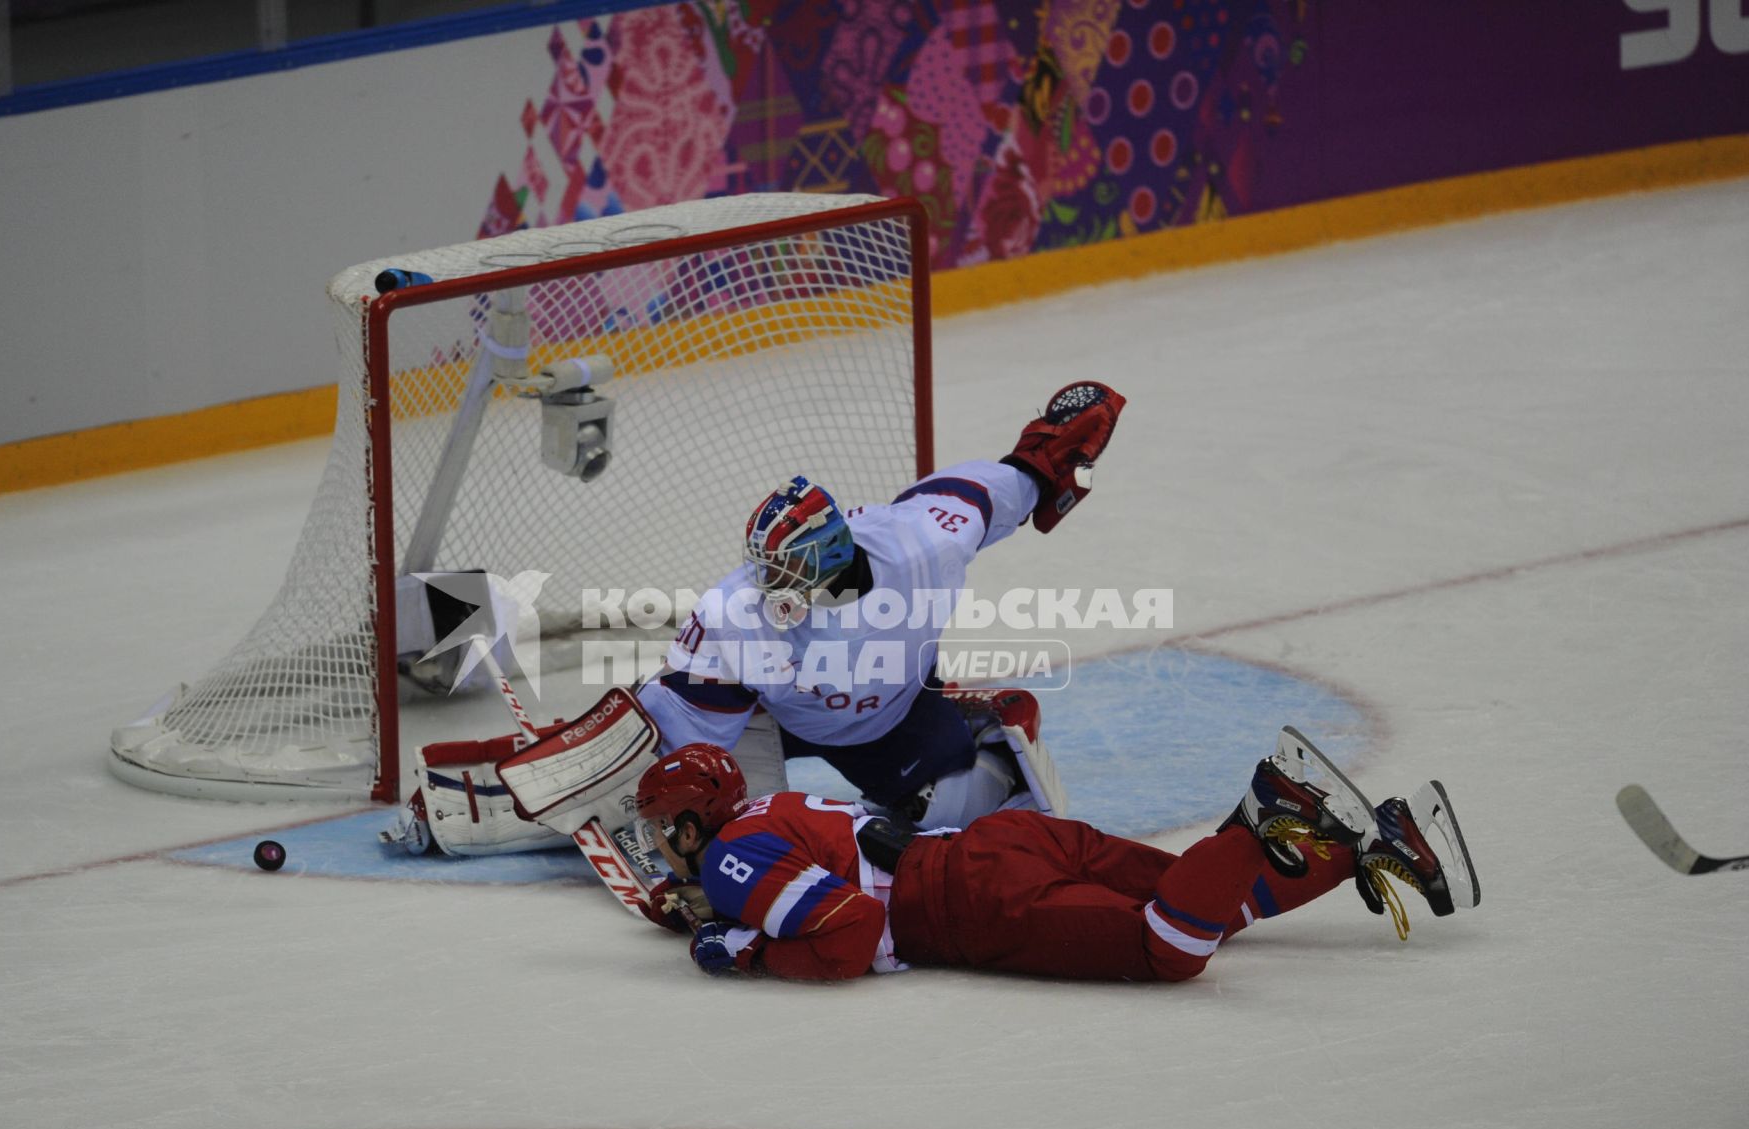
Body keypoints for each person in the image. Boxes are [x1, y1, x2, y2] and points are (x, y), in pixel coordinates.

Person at [634, 379, 1125, 830]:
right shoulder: (736, 610)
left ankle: (959, 734)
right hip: (766, 718)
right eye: (766, 567)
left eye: (787, 568)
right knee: (717, 816)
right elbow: (691, 729)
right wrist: (676, 803)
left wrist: (1049, 460)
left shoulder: (926, 544)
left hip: (891, 716)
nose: (770, 583)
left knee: (950, 819)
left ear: (830, 553)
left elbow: (1015, 484)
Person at [628, 731, 1480, 982]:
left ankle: (1260, 818)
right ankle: (1374, 840)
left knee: (1170, 949)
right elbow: (800, 876)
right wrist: (700, 906)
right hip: (1010, 837)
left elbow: (849, 933)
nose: (658, 847)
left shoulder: (730, 859)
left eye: (664, 830)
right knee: (1209, 911)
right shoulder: (763, 814)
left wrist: (748, 950)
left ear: (697, 827)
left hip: (969, 901)